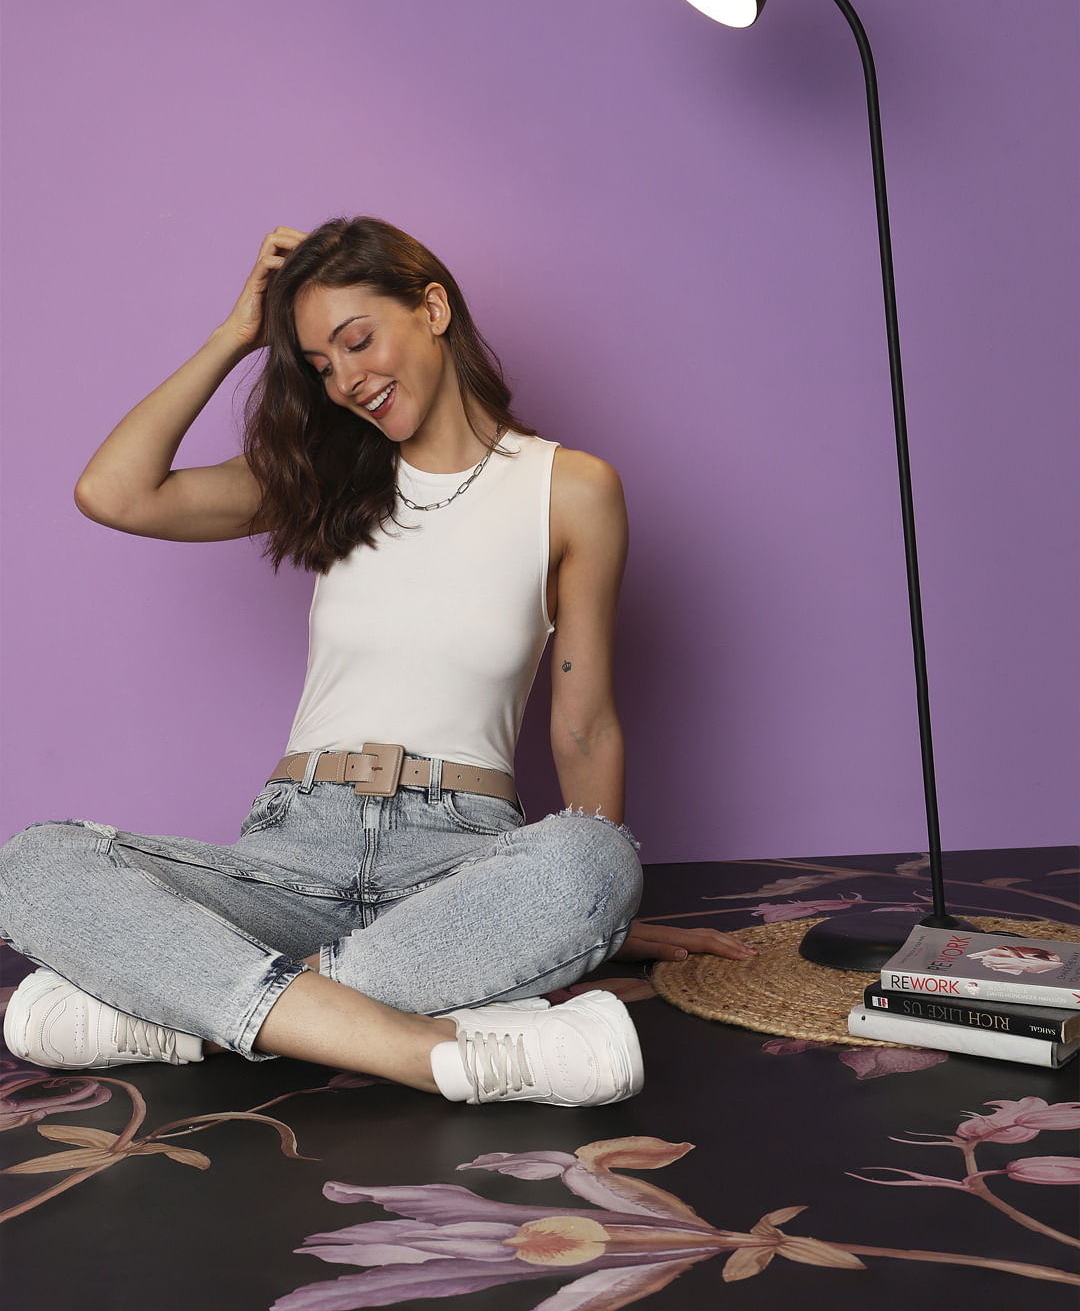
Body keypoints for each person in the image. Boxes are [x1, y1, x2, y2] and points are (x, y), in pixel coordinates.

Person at [0, 219, 755, 1106]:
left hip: (459, 859)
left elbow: (584, 721)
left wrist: (595, 915)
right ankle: (423, 1048)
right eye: (320, 364)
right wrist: (233, 337)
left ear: (432, 307)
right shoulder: (326, 476)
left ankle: (188, 1016)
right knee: (33, 862)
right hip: (291, 854)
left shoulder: (572, 488)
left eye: (357, 340)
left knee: (595, 859)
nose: (347, 379)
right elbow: (115, 493)